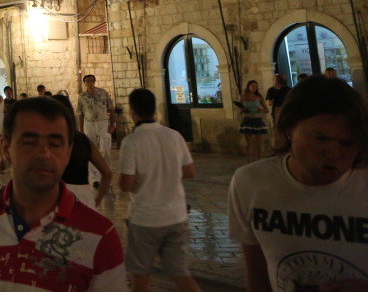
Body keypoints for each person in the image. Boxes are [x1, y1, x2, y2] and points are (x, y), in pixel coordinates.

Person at [0, 97, 125, 290]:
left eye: (55, 144)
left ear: (68, 152)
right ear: (6, 148)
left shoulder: (100, 235)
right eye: (30, 142)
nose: (44, 154)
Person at [228, 75, 368, 291]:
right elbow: (257, 272)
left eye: (347, 143)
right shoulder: (250, 183)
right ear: (289, 129)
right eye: (321, 138)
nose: (334, 153)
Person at [119, 88, 199, 292]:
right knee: (181, 275)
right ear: (154, 110)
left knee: (141, 277)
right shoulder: (174, 135)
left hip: (146, 219)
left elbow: (126, 184)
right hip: (176, 216)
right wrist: (167, 174)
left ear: (133, 111)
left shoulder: (132, 142)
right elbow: (189, 171)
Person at [52, 95, 112, 208]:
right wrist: (98, 199)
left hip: (59, 198)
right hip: (84, 198)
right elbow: (107, 173)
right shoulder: (83, 140)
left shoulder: (49, 142)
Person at [79, 74, 115, 187]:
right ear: (84, 83)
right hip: (89, 124)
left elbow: (111, 109)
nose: (89, 83)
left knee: (105, 149)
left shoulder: (103, 93)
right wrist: (81, 130)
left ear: (94, 81)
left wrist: (112, 124)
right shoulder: (82, 96)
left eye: (91, 80)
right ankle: (95, 178)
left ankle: (106, 174)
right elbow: (80, 113)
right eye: (87, 81)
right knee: (91, 151)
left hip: (103, 123)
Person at [238, 80, 269, 163]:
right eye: (252, 86)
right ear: (248, 87)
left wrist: (261, 109)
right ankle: (249, 161)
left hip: (257, 119)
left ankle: (260, 160)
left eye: (256, 86)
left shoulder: (259, 97)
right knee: (249, 143)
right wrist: (242, 110)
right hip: (247, 120)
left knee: (259, 142)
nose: (254, 88)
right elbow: (240, 110)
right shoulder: (243, 97)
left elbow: (266, 110)